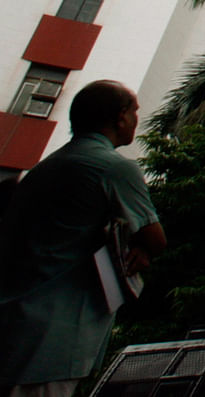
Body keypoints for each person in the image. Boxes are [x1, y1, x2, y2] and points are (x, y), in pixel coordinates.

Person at [0, 80, 166, 397]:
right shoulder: (114, 169)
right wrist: (139, 244)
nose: (136, 120)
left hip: (15, 321)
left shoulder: (45, 168)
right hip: (53, 339)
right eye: (134, 112)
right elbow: (156, 238)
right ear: (120, 117)